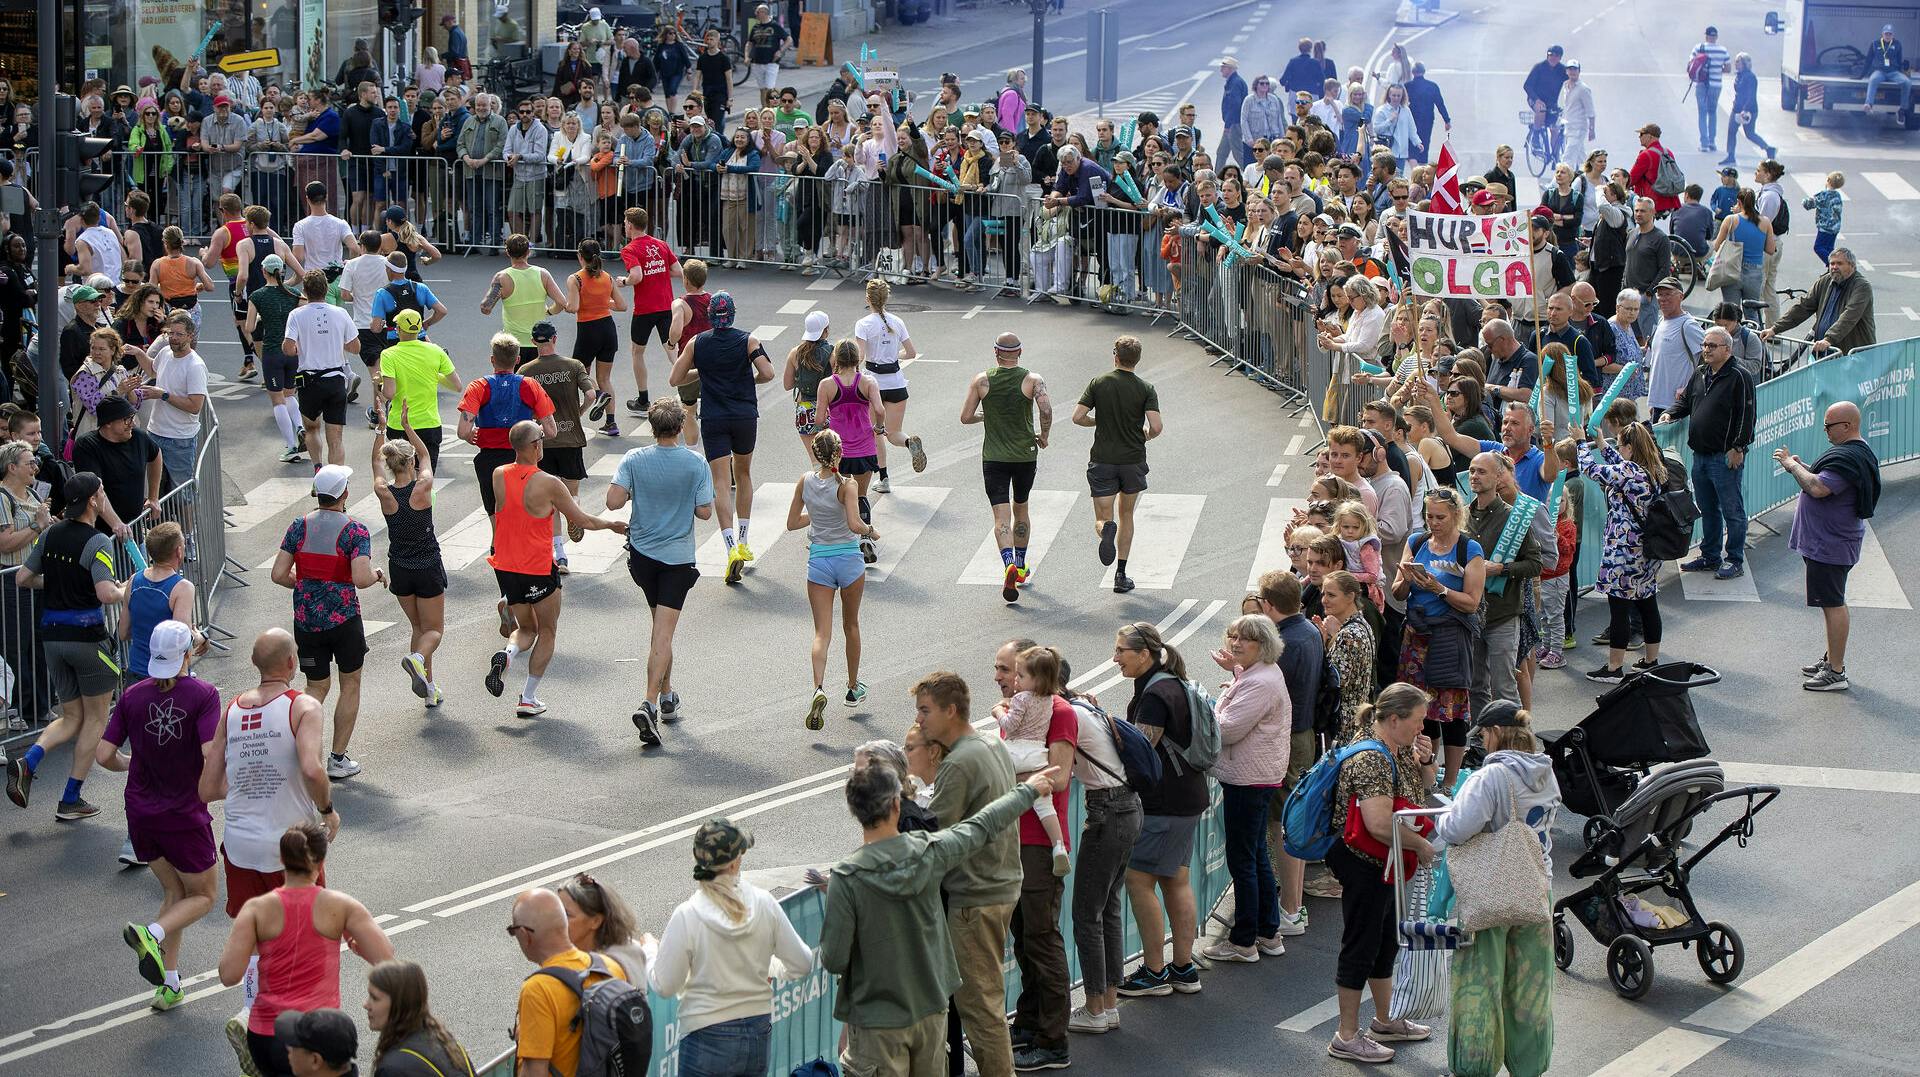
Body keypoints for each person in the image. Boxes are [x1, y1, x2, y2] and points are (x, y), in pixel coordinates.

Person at [821, 753, 1059, 1077]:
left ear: (854, 811)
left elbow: (834, 958)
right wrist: (1027, 790)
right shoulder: (929, 852)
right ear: (895, 805)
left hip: (876, 1018)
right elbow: (981, 826)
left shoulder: (846, 878)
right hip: (930, 1009)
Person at [92, 621, 220, 1008]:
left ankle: (170, 983)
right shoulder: (203, 694)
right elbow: (209, 754)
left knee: (175, 892)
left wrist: (134, 762)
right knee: (205, 896)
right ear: (186, 655)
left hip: (141, 813)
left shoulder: (132, 695)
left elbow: (102, 755)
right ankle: (151, 932)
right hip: (183, 813)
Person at [1434, 702, 1560, 1077]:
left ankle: (1476, 1064)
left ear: (1495, 733)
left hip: (1491, 892)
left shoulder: (1491, 778)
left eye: (1484, 734)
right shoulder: (1547, 773)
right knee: (1530, 985)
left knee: (1480, 983)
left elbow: (1456, 829)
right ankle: (1529, 1064)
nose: (1483, 742)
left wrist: (1445, 814)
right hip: (1537, 887)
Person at [219, 822, 394, 1076]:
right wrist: (358, 948)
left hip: (267, 1036)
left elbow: (228, 975)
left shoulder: (256, 909)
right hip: (317, 1037)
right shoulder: (341, 906)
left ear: (281, 859)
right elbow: (386, 956)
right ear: (321, 861)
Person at [4, 474, 129, 822]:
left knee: (72, 717)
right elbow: (106, 594)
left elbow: (22, 579)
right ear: (91, 501)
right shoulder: (97, 541)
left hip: (52, 638)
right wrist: (126, 588)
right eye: (101, 493)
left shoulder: (50, 534)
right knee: (96, 720)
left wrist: (56, 581)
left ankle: (27, 762)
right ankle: (71, 798)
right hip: (87, 639)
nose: (103, 497)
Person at [483, 419, 629, 718]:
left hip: (506, 566)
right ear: (535, 446)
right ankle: (528, 697)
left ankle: (507, 654)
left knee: (526, 629)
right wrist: (612, 525)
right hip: (537, 567)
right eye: (541, 439)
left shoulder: (498, 474)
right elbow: (583, 520)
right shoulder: (549, 483)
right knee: (547, 631)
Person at [1325, 683, 1437, 1064]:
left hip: (1383, 861)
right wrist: (1420, 845)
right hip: (1364, 861)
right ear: (1394, 719)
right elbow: (1377, 823)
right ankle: (1346, 1035)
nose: (1422, 729)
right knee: (1361, 944)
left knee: (1384, 942)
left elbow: (1422, 791)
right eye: (1418, 721)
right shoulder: (1372, 758)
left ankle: (1386, 1020)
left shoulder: (1398, 747)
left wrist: (1426, 764)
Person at [917, 668, 1021, 1077]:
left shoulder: (958, 763)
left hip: (974, 896)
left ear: (951, 710)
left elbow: (933, 838)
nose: (920, 719)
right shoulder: (990, 744)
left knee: (980, 1009)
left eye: (925, 710)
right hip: (999, 885)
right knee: (985, 1004)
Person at [652, 817, 815, 1076]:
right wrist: (771, 967)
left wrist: (651, 954)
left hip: (706, 1036)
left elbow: (664, 985)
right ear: (735, 861)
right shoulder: (764, 903)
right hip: (757, 1031)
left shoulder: (688, 914)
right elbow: (802, 963)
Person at [608, 399, 714, 746]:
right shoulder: (695, 463)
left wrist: (638, 491)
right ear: (680, 427)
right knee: (662, 637)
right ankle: (649, 703)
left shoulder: (634, 459)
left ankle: (667, 696)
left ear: (652, 427)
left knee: (659, 630)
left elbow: (612, 501)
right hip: (676, 558)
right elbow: (704, 513)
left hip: (642, 556)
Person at [1111, 622, 1208, 999]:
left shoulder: (1155, 695)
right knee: (1175, 880)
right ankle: (1183, 967)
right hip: (1187, 797)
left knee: (1139, 881)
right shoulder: (1171, 681)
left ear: (1144, 654)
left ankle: (1154, 971)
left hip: (1164, 803)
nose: (1115, 658)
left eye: (1121, 650)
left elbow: (1141, 750)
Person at [271, 465, 384, 779]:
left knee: (315, 686)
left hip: (306, 621)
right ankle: (337, 759)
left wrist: (308, 585)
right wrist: (377, 575)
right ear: (344, 493)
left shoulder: (299, 526)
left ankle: (299, 752)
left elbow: (279, 574)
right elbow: (361, 578)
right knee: (350, 684)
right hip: (344, 620)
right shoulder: (355, 531)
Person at [1198, 615, 1291, 964]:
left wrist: (1206, 709)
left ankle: (1244, 940)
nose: (1236, 643)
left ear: (1263, 646)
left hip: (1247, 778)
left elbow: (1228, 729)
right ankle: (1268, 931)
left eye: (1246, 639)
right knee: (1254, 855)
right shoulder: (1260, 673)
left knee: (1244, 860)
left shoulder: (1260, 682)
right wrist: (1235, 673)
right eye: (1233, 636)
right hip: (1258, 775)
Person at [668, 291, 776, 583]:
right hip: (744, 416)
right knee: (743, 475)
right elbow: (768, 372)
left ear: (710, 316)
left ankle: (729, 547)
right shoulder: (748, 340)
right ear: (733, 315)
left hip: (714, 418)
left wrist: (702, 371)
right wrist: (747, 378)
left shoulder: (697, 342)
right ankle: (743, 539)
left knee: (719, 482)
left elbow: (675, 378)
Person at [1776, 401, 1880, 692]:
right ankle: (1831, 659)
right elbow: (1825, 481)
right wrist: (1801, 469)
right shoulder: (1854, 453)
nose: (1825, 431)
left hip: (1830, 544)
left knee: (1833, 604)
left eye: (1829, 426)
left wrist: (1793, 465)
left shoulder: (1849, 456)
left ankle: (1836, 672)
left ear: (1847, 426)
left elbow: (1819, 488)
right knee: (1830, 602)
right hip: (1829, 543)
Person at [788, 428, 880, 729]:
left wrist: (816, 515)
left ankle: (818, 688)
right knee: (851, 625)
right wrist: (870, 531)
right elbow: (854, 524)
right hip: (849, 562)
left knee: (821, 634)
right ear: (840, 453)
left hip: (819, 562)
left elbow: (792, 523)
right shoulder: (848, 485)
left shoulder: (805, 481)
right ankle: (853, 688)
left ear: (816, 454)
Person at [960, 332, 1051, 603]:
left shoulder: (982, 380)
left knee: (1000, 517)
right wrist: (1043, 436)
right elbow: (1046, 410)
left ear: (995, 352)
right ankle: (1021, 567)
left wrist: (986, 414)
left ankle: (1008, 562)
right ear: (1020, 352)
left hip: (994, 457)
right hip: (1025, 456)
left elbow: (965, 417)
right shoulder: (1033, 380)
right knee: (1020, 508)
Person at [1574, 419, 1667, 683]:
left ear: (1628, 447)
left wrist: (1581, 442)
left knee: (1619, 608)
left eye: (1620, 445)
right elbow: (1618, 466)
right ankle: (1651, 660)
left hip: (1623, 551)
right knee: (1647, 602)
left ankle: (1614, 668)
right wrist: (1603, 444)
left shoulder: (1628, 471)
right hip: (1647, 550)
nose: (1618, 449)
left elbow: (1591, 470)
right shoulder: (1653, 469)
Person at [1661, 325, 1756, 580]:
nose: (1706, 350)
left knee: (1732, 510)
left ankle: (1734, 559)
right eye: (1704, 345)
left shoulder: (1739, 375)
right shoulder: (1701, 372)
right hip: (1700, 456)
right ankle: (1710, 556)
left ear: (1727, 349)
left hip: (1724, 456)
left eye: (1712, 346)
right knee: (1707, 508)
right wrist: (1671, 412)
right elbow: (1686, 401)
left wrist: (1739, 447)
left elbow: (1747, 415)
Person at [1073, 337, 1163, 594]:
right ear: (1138, 359)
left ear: (1115, 355)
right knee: (1127, 514)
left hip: (1103, 458)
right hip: (1133, 460)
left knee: (1103, 516)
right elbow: (1156, 427)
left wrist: (1097, 422)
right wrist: (1145, 434)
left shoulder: (1099, 383)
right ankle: (1121, 574)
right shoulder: (1146, 388)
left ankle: (1105, 530)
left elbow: (1077, 417)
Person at [508, 886, 628, 1077]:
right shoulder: (610, 967)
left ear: (524, 934)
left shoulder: (538, 989)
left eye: (512, 931)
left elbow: (535, 1072)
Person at [371, 409, 446, 707]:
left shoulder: (383, 492)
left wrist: (381, 429)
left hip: (399, 568)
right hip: (427, 565)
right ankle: (416, 659)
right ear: (410, 462)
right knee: (434, 631)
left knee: (418, 628)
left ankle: (429, 690)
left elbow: (375, 462)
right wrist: (407, 428)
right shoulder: (423, 487)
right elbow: (427, 457)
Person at [517, 321, 598, 574]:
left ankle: (560, 556)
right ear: (554, 338)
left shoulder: (526, 370)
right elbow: (592, 395)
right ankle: (574, 512)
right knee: (570, 492)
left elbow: (522, 406)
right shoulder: (573, 366)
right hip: (571, 438)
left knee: (550, 500)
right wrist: (580, 413)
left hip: (544, 441)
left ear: (533, 342)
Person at [459, 333, 558, 523]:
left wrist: (471, 436)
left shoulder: (478, 386)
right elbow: (551, 431)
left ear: (492, 359)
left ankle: (497, 548)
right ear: (518, 360)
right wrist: (534, 430)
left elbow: (463, 431)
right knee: (523, 515)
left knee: (496, 515)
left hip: (488, 460)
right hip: (523, 458)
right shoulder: (530, 385)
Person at [852, 280, 929, 493]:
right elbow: (911, 353)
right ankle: (908, 443)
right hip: (896, 382)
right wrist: (895, 356)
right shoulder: (897, 321)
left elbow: (859, 356)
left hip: (873, 383)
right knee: (894, 433)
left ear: (868, 299)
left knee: (876, 433)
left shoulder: (864, 324)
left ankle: (884, 478)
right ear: (886, 299)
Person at [282, 270, 363, 467]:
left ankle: (318, 468)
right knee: (336, 437)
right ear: (326, 289)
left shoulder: (296, 314)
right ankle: (336, 478)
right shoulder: (341, 313)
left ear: (305, 291)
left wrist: (300, 348)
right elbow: (355, 347)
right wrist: (335, 342)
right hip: (335, 379)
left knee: (311, 428)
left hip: (309, 381)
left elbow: (287, 348)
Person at [616, 206, 684, 422]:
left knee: (637, 352)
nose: (624, 226)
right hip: (665, 305)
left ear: (630, 225)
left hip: (645, 309)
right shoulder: (661, 244)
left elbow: (636, 275)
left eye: (625, 223)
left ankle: (643, 399)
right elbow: (678, 271)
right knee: (672, 350)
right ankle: (689, 393)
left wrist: (624, 281)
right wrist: (659, 273)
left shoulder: (630, 249)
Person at [244, 255, 311, 463]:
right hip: (293, 351)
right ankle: (300, 426)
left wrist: (261, 317)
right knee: (290, 394)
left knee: (277, 400)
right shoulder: (293, 293)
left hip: (272, 350)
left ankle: (291, 446)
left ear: (263, 271)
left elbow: (249, 327)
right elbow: (304, 315)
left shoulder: (258, 295)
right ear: (281, 271)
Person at [377, 308, 462, 472]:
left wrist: (378, 384)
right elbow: (457, 386)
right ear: (419, 329)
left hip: (399, 425)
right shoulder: (436, 350)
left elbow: (389, 393)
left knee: (403, 479)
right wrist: (433, 375)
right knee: (425, 476)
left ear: (398, 330)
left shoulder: (389, 354)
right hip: (429, 424)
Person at [365, 959, 474, 1077]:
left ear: (400, 1004)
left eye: (374, 998)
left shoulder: (394, 1069)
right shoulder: (446, 1042)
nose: (366, 1004)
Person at [1761, 248, 1876, 357]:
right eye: (1832, 263)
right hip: (1825, 351)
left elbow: (1849, 316)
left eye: (1839, 264)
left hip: (1852, 355)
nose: (1834, 267)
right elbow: (1803, 307)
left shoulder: (1861, 287)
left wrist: (1828, 339)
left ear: (1852, 266)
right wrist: (1774, 329)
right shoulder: (1825, 281)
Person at [554, 872, 653, 995]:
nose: (556, 920)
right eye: (557, 912)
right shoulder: (629, 947)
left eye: (567, 914)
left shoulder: (602, 968)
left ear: (595, 921)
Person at [480, 234, 569, 364]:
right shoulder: (543, 274)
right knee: (535, 383)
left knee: (515, 382)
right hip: (539, 342)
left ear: (507, 252)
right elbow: (562, 303)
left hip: (513, 345)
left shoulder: (502, 277)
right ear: (528, 252)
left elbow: (486, 308)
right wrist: (549, 311)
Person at [1706, 188, 1776, 311]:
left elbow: (1717, 246)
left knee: (1732, 313)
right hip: (1755, 273)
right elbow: (1770, 250)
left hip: (1732, 270)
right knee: (1752, 312)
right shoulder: (1765, 222)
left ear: (1738, 202)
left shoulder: (1731, 220)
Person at [1690, 26, 1731, 152]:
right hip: (1716, 85)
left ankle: (1704, 143)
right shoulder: (1723, 51)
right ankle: (1712, 142)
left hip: (1702, 84)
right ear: (1716, 37)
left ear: (1706, 36)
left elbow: (1691, 64)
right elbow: (1728, 69)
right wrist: (1717, 69)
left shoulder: (1699, 48)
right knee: (1712, 113)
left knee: (1702, 113)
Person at [1862, 23, 1910, 114]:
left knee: (1907, 82)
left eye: (1890, 34)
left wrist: (1901, 72)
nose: (1888, 36)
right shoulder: (1875, 44)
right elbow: (1868, 60)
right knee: (1872, 79)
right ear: (1882, 34)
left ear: (1893, 35)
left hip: (1894, 72)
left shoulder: (1897, 44)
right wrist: (1862, 75)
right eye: (1886, 33)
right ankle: (1868, 104)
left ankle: (1903, 108)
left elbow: (1899, 60)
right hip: (1880, 72)